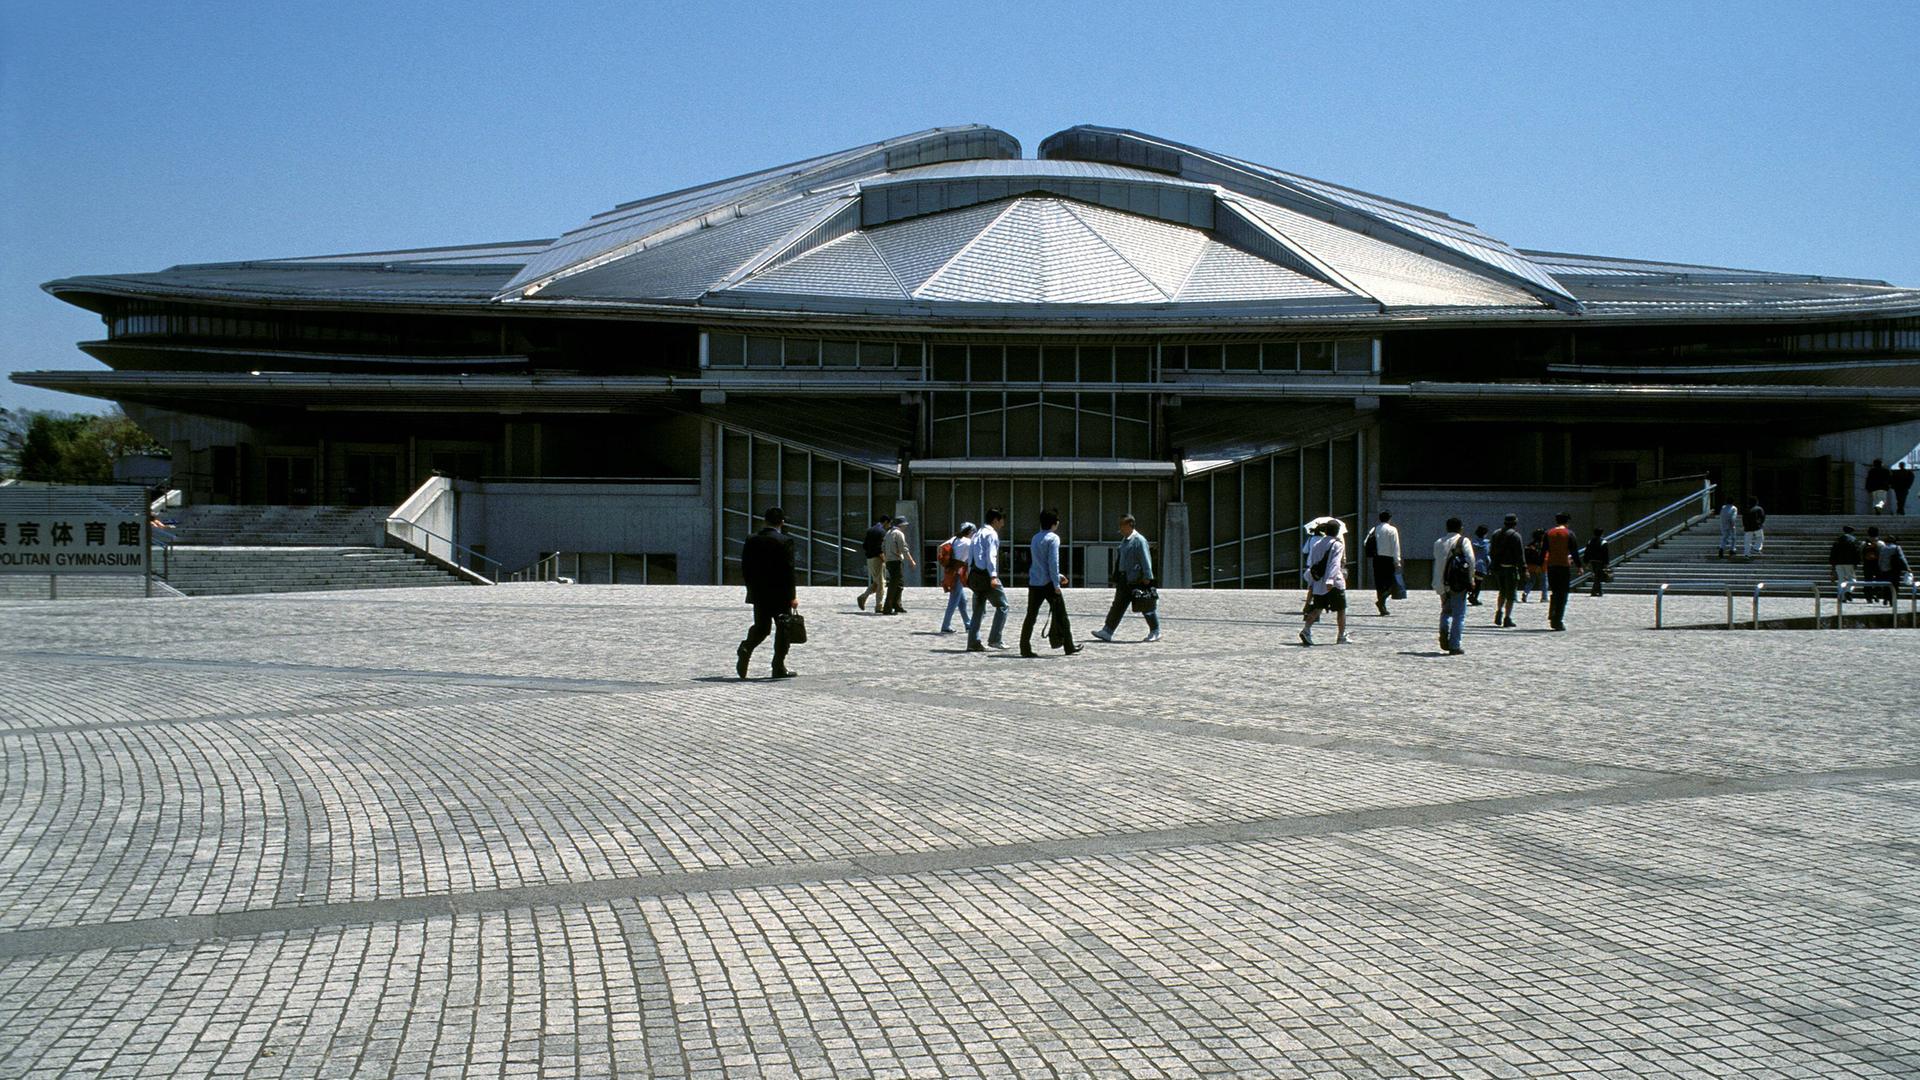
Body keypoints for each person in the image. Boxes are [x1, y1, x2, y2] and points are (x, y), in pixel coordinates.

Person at [736, 507, 798, 680]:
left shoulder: (752, 539)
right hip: (779, 594)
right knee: (783, 629)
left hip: (759, 593)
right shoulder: (785, 541)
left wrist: (752, 588)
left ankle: (746, 648)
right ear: (782, 522)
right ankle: (778, 666)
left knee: (762, 628)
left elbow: (745, 567)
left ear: (765, 521)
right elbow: (788, 571)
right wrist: (792, 596)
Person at [1019, 509, 1080, 657]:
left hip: (1035, 582)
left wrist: (1058, 576)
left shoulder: (1035, 538)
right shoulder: (1053, 538)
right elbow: (1053, 562)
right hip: (1048, 584)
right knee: (1062, 615)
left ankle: (1024, 647)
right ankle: (1069, 646)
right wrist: (1056, 583)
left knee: (1031, 616)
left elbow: (1039, 563)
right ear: (1054, 523)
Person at [1094, 514, 1160, 642]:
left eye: (1122, 526)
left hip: (1137, 579)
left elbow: (1146, 559)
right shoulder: (1125, 540)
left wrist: (1147, 576)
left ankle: (1155, 630)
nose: (1120, 529)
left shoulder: (1139, 540)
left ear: (1130, 525)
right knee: (1118, 605)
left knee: (1145, 605)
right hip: (1124, 579)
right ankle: (1107, 630)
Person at [1299, 519, 1351, 646]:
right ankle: (1341, 635)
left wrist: (1312, 580)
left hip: (1319, 582)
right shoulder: (1337, 545)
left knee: (1318, 608)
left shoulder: (1317, 544)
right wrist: (1331, 580)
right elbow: (1335, 564)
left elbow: (1313, 563)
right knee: (1341, 609)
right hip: (1334, 582)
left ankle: (1306, 630)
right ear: (1337, 532)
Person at [966, 509, 1010, 653]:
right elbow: (991, 556)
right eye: (1002, 520)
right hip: (986, 575)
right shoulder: (991, 534)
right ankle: (995, 639)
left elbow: (971, 555)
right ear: (995, 520)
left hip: (974, 574)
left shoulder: (977, 533)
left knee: (978, 609)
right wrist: (993, 576)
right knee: (1003, 606)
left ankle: (973, 642)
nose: (1003, 524)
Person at [1431, 517, 1473, 654]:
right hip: (1458, 582)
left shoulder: (1438, 542)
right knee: (1459, 615)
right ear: (1460, 528)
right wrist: (1471, 578)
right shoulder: (1463, 541)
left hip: (1442, 583)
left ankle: (1443, 633)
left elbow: (1437, 563)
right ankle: (1454, 645)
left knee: (1445, 611)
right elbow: (1471, 560)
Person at [1543, 512, 1583, 631]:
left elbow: (1544, 550)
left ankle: (1552, 614)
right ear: (1567, 522)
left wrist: (1541, 563)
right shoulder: (1569, 534)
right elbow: (1574, 552)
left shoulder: (1548, 533)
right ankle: (1558, 619)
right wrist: (1579, 566)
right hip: (1563, 566)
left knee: (1555, 592)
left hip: (1551, 565)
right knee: (1563, 593)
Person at [1363, 511, 1402, 616]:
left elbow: (1365, 542)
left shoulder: (1374, 529)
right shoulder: (1392, 530)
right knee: (1391, 583)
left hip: (1377, 559)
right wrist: (1397, 560)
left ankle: (1382, 606)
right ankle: (1381, 602)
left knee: (1379, 583)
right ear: (1390, 518)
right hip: (1388, 559)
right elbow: (1395, 546)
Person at [939, 523, 975, 635]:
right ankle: (945, 625)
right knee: (954, 600)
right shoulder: (968, 542)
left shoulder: (954, 539)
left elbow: (941, 547)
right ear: (970, 532)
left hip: (951, 570)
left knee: (962, 601)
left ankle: (968, 624)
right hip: (958, 572)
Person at [1489, 513, 1524, 628]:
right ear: (1515, 523)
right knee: (1511, 594)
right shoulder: (1515, 536)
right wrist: (1524, 569)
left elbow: (1491, 551)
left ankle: (1499, 611)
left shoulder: (1495, 534)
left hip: (1498, 568)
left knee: (1502, 591)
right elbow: (1520, 555)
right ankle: (1507, 617)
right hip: (1510, 568)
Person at [881, 515, 915, 615]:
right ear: (902, 525)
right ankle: (887, 607)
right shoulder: (899, 534)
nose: (906, 527)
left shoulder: (888, 533)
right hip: (896, 561)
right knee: (894, 585)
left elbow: (883, 547)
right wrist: (911, 561)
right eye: (905, 525)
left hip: (889, 561)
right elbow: (903, 549)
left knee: (899, 584)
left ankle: (897, 605)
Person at [855, 515, 889, 611]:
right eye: (889, 524)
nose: (888, 527)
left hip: (870, 558)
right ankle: (879, 606)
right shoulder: (882, 532)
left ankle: (863, 597)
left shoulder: (870, 530)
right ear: (886, 522)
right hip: (877, 559)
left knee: (877, 582)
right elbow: (880, 548)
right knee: (881, 583)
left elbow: (864, 545)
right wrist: (884, 559)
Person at [1829, 525, 1861, 600]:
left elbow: (1833, 552)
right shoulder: (1854, 540)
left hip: (1838, 562)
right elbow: (1856, 552)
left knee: (1841, 579)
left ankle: (1841, 596)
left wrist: (1833, 563)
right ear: (1851, 532)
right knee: (1852, 579)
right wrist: (1856, 562)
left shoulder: (1838, 540)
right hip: (1850, 562)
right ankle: (1848, 591)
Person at [1468, 525, 1491, 606]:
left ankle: (1470, 594)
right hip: (1481, 566)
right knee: (1478, 583)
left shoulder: (1471, 542)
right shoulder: (1488, 543)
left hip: (1471, 564)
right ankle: (1474, 597)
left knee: (1469, 581)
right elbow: (1488, 556)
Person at [1584, 529, 1611, 597]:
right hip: (1600, 561)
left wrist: (1586, 562)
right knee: (1598, 576)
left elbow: (1587, 552)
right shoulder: (1603, 542)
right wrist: (1606, 563)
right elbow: (1605, 553)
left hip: (1592, 561)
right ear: (1602, 533)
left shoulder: (1590, 541)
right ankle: (1594, 591)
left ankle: (1599, 590)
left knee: (1597, 575)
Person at [1523, 529, 1546, 602]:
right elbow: (1542, 556)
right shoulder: (1542, 545)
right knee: (1544, 581)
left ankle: (1525, 592)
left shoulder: (1530, 545)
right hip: (1540, 566)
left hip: (1530, 566)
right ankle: (1544, 597)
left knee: (1531, 581)